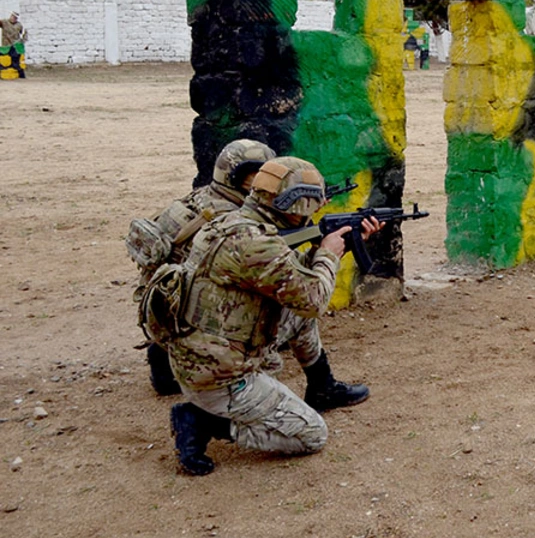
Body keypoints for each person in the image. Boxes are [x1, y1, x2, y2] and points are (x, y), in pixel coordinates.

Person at [166, 156, 381, 476]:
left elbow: (291, 283)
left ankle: (322, 386)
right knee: (311, 435)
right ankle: (203, 422)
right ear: (294, 204)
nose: (315, 211)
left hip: (202, 349)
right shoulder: (256, 243)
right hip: (217, 376)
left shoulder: (236, 221)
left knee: (297, 316)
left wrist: (340, 247)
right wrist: (328, 254)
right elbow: (313, 300)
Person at [127, 139, 276, 396]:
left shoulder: (198, 200)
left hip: (161, 313)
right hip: (192, 327)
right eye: (257, 175)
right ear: (238, 178)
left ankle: (163, 357)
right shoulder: (230, 222)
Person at [1, 12, 28, 78]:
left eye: (15, 18)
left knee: (16, 62)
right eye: (12, 16)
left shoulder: (19, 25)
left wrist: (22, 42)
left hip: (15, 46)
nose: (13, 18)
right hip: (6, 45)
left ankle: (21, 75)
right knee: (4, 61)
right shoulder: (4, 22)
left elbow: (24, 34)